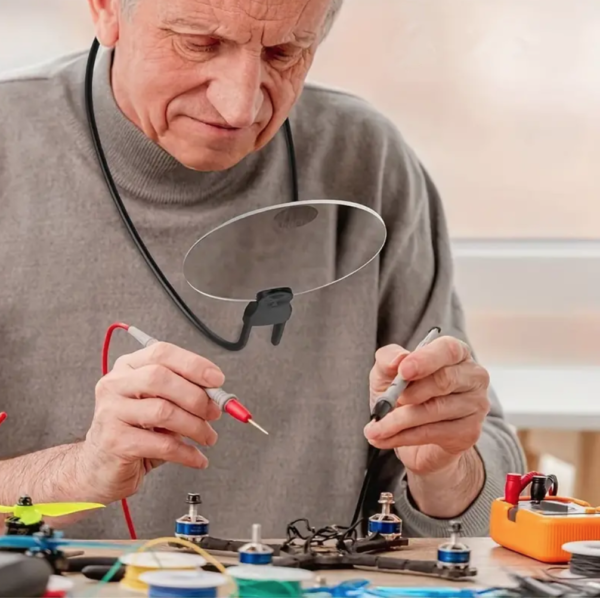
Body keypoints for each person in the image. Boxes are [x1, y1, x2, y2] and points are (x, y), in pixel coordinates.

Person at [0, 0, 525, 540]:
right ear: (106, 9)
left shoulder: (367, 160)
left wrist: (443, 471)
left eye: (285, 52)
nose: (238, 107)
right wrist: (77, 475)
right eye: (199, 43)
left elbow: (484, 505)